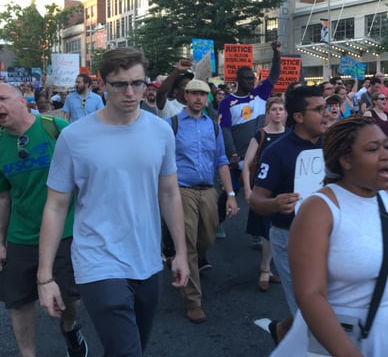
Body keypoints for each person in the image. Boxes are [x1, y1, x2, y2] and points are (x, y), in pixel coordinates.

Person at [37, 47, 189, 356]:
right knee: (126, 351)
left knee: (132, 346)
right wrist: (45, 276)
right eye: (120, 84)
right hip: (97, 260)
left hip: (147, 259)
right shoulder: (74, 137)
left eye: (138, 82)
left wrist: (182, 252)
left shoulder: (160, 131)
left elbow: (170, 193)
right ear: (102, 83)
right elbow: (55, 206)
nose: (131, 92)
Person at [271, 117, 388, 356]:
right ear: (345, 160)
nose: (386, 155)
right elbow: (310, 295)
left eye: (387, 146)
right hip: (348, 341)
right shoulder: (319, 209)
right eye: (372, 149)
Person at [0, 83, 87, 357]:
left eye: (1, 99)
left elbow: (86, 176)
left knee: (69, 299)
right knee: (18, 301)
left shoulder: (55, 128)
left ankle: (70, 327)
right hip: (21, 235)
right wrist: (0, 241)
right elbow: (3, 198)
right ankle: (28, 354)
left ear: (22, 101)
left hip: (64, 232)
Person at [250, 86, 328, 343]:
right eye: (318, 109)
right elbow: (256, 200)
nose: (325, 114)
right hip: (290, 237)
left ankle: (282, 330)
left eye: (325, 107)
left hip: (328, 235)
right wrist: (275, 204)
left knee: (325, 302)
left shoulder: (332, 145)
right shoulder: (276, 152)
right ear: (298, 116)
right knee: (311, 311)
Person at [167, 79, 238, 323]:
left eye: (203, 95)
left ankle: (179, 258)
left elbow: (221, 160)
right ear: (185, 96)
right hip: (182, 191)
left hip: (208, 191)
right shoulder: (172, 124)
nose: (199, 98)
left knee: (206, 239)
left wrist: (230, 194)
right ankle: (193, 301)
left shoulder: (213, 126)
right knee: (188, 244)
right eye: (194, 94)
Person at [220, 41, 281, 248]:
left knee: (259, 192)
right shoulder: (227, 102)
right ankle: (215, 221)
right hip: (238, 157)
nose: (250, 82)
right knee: (232, 191)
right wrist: (232, 153)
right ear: (238, 80)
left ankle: (257, 233)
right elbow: (225, 129)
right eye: (246, 79)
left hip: (259, 155)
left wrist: (276, 54)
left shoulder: (260, 95)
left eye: (252, 78)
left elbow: (274, 74)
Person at [242, 97, 288, 291]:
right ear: (268, 113)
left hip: (285, 188)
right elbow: (246, 164)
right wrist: (247, 189)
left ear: (285, 113)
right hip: (265, 189)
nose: (278, 112)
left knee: (279, 230)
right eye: (274, 109)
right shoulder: (260, 135)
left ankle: (268, 268)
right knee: (268, 230)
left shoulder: (290, 135)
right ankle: (265, 268)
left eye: (281, 109)